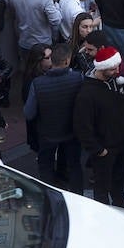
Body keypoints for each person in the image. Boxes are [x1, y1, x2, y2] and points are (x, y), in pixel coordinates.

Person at [72, 45, 124, 208]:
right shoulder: (87, 94)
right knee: (102, 188)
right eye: (113, 68)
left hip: (121, 143)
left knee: (119, 182)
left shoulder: (118, 82)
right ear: (103, 68)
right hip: (104, 150)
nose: (117, 71)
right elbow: (82, 126)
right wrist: (98, 150)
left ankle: (120, 206)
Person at [25, 43, 85, 191]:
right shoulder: (78, 79)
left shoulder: (38, 83)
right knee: (74, 166)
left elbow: (29, 113)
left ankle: (50, 197)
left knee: (46, 166)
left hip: (47, 133)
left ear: (52, 60)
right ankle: (78, 197)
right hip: (71, 132)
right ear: (67, 60)